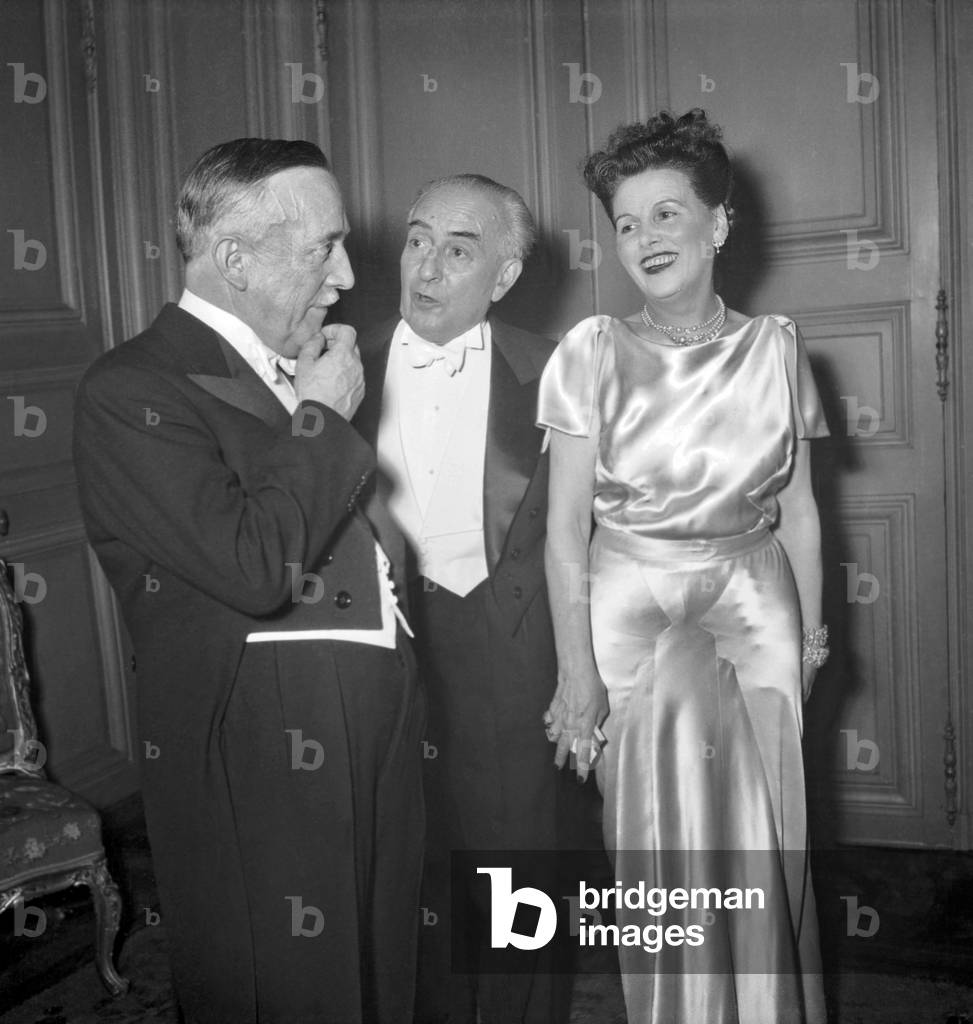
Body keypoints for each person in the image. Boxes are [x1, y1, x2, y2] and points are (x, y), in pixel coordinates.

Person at [73, 139, 424, 1024]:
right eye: (323, 248)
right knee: (289, 988)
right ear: (234, 258)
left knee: (376, 970)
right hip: (261, 744)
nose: (345, 274)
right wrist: (320, 416)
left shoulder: (291, 365)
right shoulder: (129, 388)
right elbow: (253, 564)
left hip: (366, 724)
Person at [537, 110, 828, 1023]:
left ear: (718, 223)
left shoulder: (777, 347)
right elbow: (561, 534)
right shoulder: (589, 353)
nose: (644, 239)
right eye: (625, 223)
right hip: (630, 608)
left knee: (765, 839)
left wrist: (811, 641)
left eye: (666, 214)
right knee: (657, 848)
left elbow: (801, 510)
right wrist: (575, 672)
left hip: (759, 608)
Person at [354, 174, 567, 1024]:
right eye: (415, 240)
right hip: (372, 643)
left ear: (505, 277)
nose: (427, 267)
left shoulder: (556, 375)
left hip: (506, 646)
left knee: (517, 865)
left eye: (458, 249)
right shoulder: (332, 366)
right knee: (400, 864)